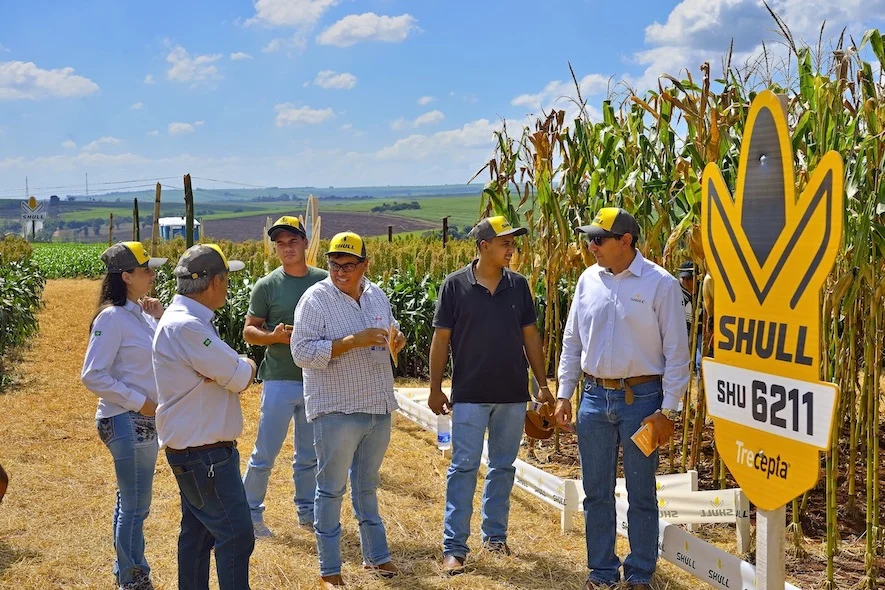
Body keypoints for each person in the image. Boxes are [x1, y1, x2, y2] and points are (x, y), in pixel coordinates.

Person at [553, 208, 689, 590]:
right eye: (589, 238)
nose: (590, 246)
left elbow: (678, 352)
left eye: (598, 239)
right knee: (596, 491)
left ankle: (641, 573)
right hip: (593, 399)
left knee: (641, 491)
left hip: (643, 401)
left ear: (625, 241)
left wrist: (669, 410)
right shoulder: (586, 280)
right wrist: (565, 393)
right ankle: (601, 572)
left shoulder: (661, 284)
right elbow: (572, 342)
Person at [427, 216, 555, 574]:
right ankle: (454, 547)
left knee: (502, 468)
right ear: (484, 246)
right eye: (505, 244)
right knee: (463, 468)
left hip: (513, 395)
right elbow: (441, 340)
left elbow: (530, 336)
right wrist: (436, 388)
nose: (512, 250)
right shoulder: (454, 285)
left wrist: (543, 385)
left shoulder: (520, 286)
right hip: (469, 395)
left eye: (513, 244)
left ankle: (495, 538)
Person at [291, 232, 405, 589]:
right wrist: (350, 342)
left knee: (367, 486)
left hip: (377, 404)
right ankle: (329, 568)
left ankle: (376, 557)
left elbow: (389, 330)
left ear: (365, 265)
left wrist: (396, 338)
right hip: (337, 409)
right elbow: (302, 353)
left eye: (349, 265)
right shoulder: (315, 300)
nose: (340, 272)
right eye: (334, 265)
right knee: (331, 490)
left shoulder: (376, 294)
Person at [152, 244, 258, 590]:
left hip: (197, 453)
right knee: (236, 534)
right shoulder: (187, 328)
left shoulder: (186, 323)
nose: (228, 286)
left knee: (198, 535)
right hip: (205, 455)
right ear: (215, 281)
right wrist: (244, 364)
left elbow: (229, 372)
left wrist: (230, 368)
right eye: (227, 279)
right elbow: (240, 377)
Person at [81, 241, 168, 590]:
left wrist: (160, 316)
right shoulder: (112, 317)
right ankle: (134, 579)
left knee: (129, 501)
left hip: (140, 420)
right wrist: (139, 402)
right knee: (135, 507)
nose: (153, 274)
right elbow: (92, 374)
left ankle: (127, 572)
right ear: (127, 277)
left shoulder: (141, 314)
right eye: (146, 270)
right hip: (126, 419)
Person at [241, 216, 328, 538]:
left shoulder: (324, 282)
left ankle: (307, 514)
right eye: (280, 243)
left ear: (306, 243)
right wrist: (273, 337)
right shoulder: (267, 285)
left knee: (309, 455)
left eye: (292, 241)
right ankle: (250, 514)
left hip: (316, 379)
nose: (286, 248)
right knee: (265, 453)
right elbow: (250, 331)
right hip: (279, 378)